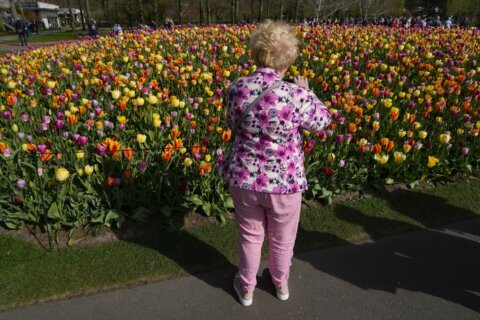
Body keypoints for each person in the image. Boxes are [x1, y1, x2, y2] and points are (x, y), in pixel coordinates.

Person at [221, 20, 331, 306]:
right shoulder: (296, 95)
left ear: (256, 52)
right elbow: (322, 122)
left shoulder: (236, 89)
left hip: (244, 177)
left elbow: (232, 122)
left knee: (250, 237)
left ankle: (246, 288)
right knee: (282, 240)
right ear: (289, 57)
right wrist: (310, 92)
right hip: (285, 182)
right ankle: (280, 284)